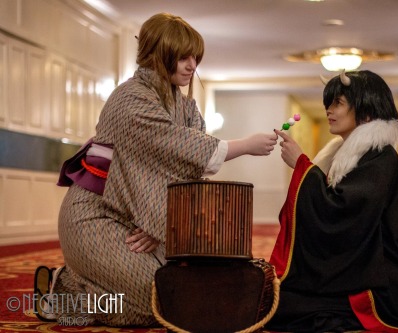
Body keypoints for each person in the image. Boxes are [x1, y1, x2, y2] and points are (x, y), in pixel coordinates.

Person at [33, 13, 277, 327]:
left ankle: (79, 284)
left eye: (195, 58)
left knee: (179, 287)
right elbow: (182, 147)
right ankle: (64, 288)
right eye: (184, 57)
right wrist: (245, 145)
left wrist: (155, 223)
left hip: (135, 220)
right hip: (96, 215)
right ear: (159, 55)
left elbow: (186, 170)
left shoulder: (186, 105)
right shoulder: (130, 98)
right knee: (158, 298)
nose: (192, 65)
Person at [265, 70, 398, 332]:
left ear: (367, 111)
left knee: (286, 306)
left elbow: (342, 213)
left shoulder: (381, 157)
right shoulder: (349, 155)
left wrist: (302, 166)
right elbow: (337, 219)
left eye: (338, 103)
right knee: (281, 299)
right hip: (357, 271)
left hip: (381, 285)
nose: (329, 110)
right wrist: (306, 171)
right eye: (328, 103)